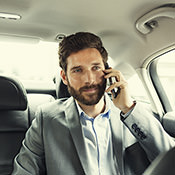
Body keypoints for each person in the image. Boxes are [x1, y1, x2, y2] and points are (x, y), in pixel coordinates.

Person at [12, 32, 175, 175]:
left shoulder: (133, 116)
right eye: (77, 70)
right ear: (64, 77)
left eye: (95, 68)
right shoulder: (46, 118)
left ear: (108, 71)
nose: (89, 80)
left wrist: (128, 108)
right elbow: (24, 171)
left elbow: (170, 160)